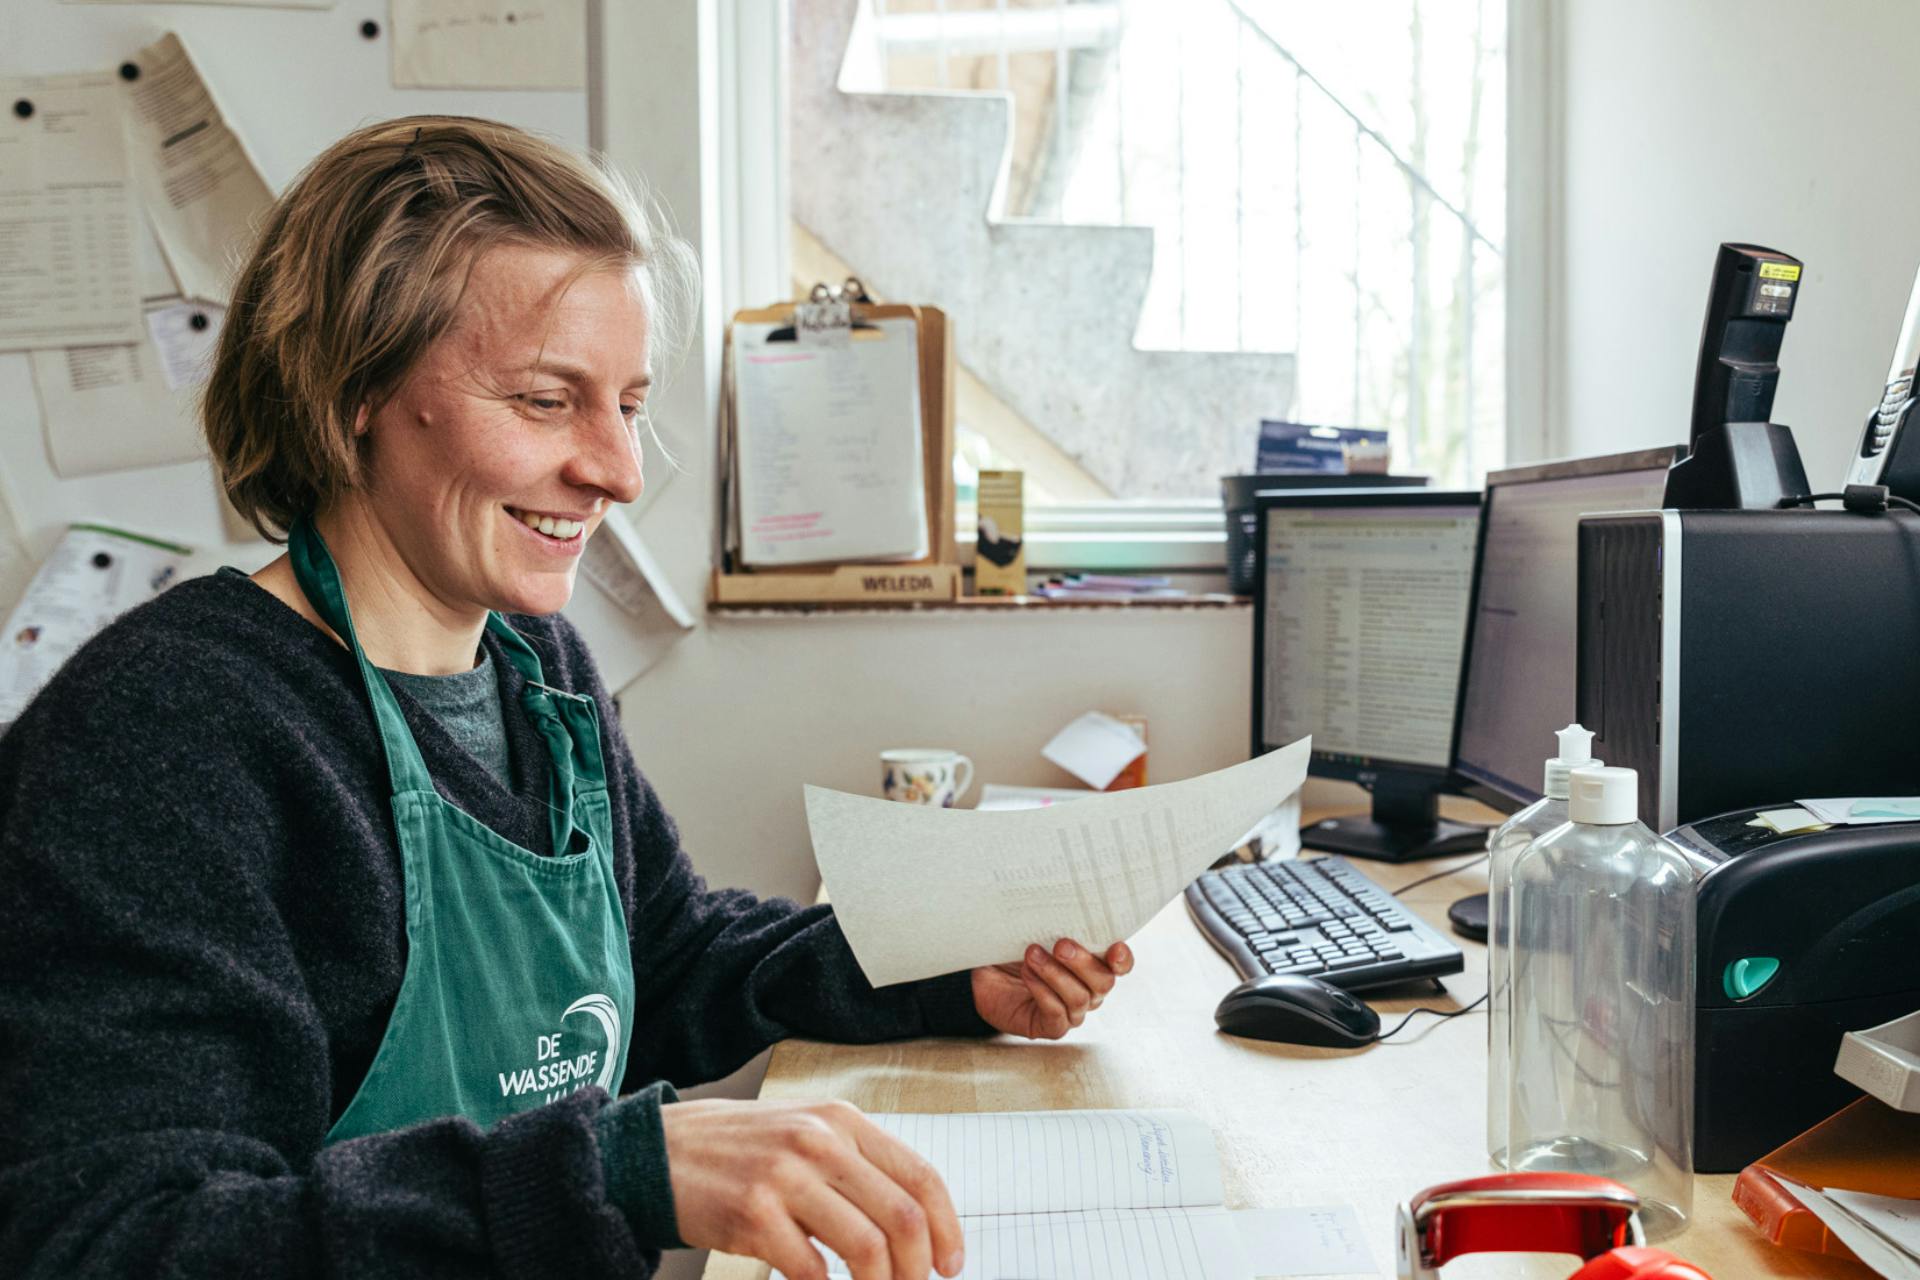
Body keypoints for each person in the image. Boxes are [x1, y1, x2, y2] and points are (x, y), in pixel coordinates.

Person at [0, 116, 1133, 1280]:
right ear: (354, 393)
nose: (618, 470)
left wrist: (944, 964)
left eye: (628, 403)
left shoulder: (533, 661)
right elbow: (116, 1238)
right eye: (548, 401)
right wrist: (624, 1172)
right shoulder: (163, 733)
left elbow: (674, 956)